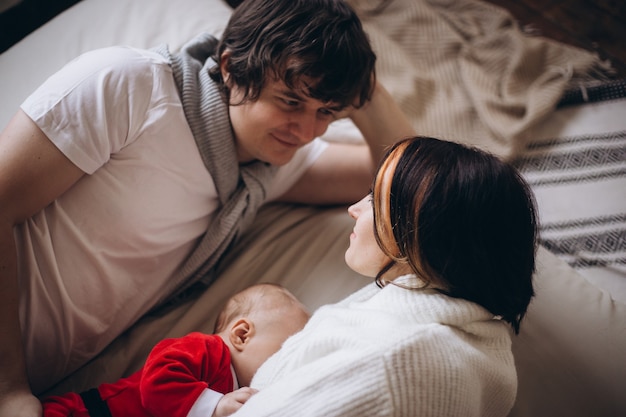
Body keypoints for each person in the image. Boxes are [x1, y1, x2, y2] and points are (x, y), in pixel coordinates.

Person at [0, 0, 415, 415]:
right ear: (231, 68)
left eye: (326, 112)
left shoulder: (268, 166)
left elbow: (401, 175)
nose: (308, 131)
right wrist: (9, 389)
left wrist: (359, 81)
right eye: (290, 101)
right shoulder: (132, 87)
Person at [229, 136, 539, 417]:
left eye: (375, 200)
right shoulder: (471, 348)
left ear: (424, 233)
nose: (354, 209)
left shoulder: (393, 362)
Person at [41, 283, 310, 417]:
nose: (287, 364)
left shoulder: (238, 392)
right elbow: (157, 378)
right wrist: (214, 406)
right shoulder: (208, 350)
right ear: (241, 334)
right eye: (284, 350)